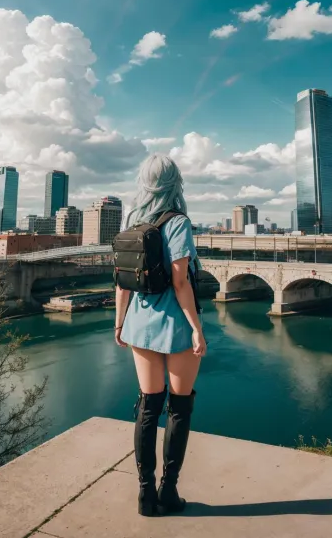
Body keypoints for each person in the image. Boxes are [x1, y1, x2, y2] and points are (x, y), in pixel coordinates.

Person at [114, 153, 206, 517]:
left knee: (148, 406)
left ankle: (144, 494)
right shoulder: (178, 221)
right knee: (179, 407)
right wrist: (197, 329)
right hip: (176, 325)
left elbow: (123, 279)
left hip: (139, 322)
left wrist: (119, 323)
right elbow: (181, 280)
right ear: (175, 182)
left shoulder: (132, 220)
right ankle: (169, 490)